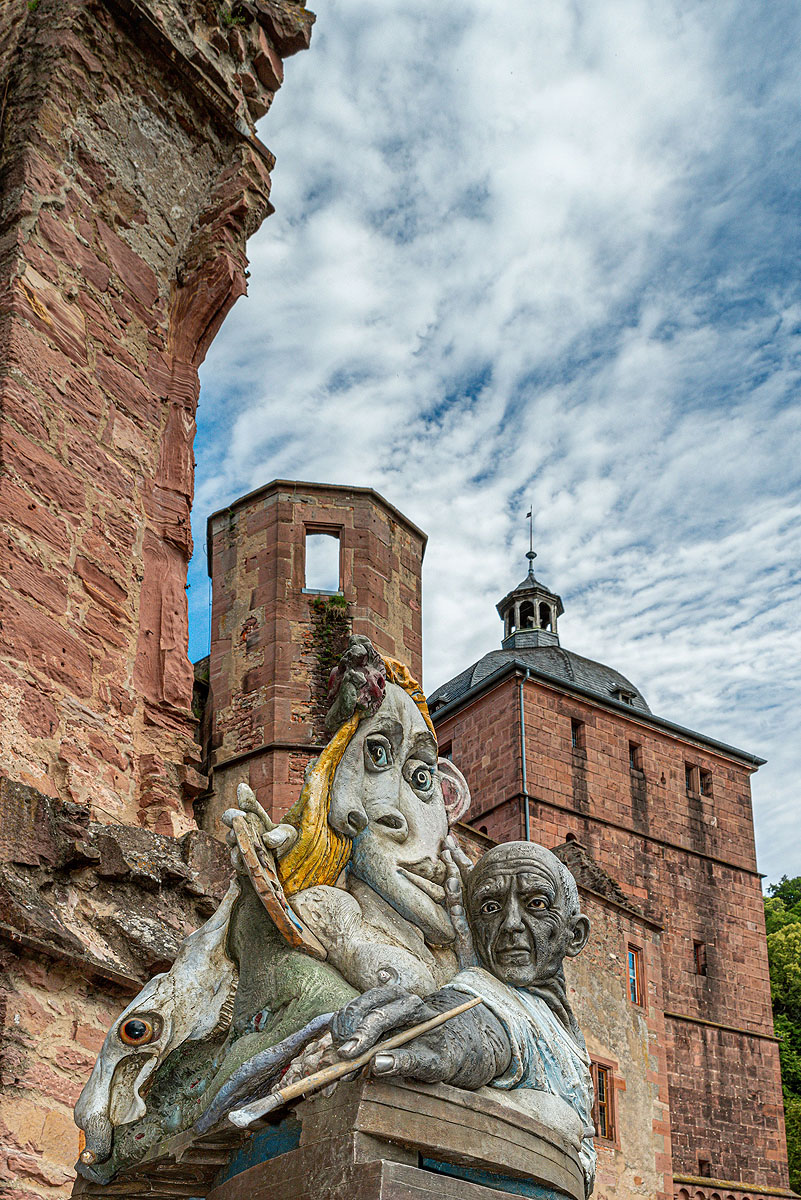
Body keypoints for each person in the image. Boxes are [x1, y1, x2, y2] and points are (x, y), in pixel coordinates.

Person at [328, 840, 597, 1196]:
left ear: (574, 935)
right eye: (490, 907)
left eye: (536, 904)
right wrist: (438, 1034)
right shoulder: (487, 995)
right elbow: (478, 1027)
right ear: (474, 924)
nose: (510, 924)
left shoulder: (557, 1022)